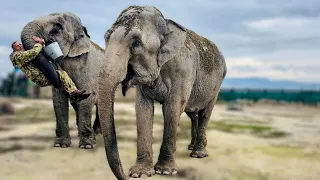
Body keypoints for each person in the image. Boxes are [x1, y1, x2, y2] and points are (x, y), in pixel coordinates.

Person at [9, 36, 91, 101]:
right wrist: (39, 44)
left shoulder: (21, 55)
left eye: (20, 44)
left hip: (41, 74)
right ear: (14, 49)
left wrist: (41, 43)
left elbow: (36, 54)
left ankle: (74, 93)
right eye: (17, 46)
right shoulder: (17, 56)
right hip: (40, 77)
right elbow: (33, 52)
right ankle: (73, 93)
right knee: (61, 75)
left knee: (62, 75)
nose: (20, 45)